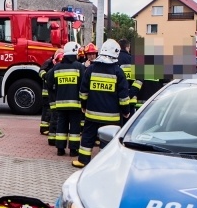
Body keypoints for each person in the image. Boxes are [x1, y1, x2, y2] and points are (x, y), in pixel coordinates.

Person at [74, 39, 130, 168]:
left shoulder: (91, 69)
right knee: (109, 140)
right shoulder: (118, 72)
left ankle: (83, 160)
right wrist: (126, 111)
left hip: (92, 114)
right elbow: (123, 96)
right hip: (112, 117)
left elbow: (83, 92)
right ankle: (105, 164)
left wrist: (84, 106)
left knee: (87, 137)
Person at [52, 42, 85, 157]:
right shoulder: (79, 67)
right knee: (75, 127)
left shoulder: (57, 67)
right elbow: (83, 85)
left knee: (61, 125)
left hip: (60, 104)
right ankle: (73, 150)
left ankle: (60, 149)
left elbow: (49, 80)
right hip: (75, 104)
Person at [117, 38, 143, 124]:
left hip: (115, 100)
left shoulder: (114, 59)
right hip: (131, 101)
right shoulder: (134, 61)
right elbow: (139, 80)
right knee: (128, 127)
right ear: (128, 47)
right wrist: (131, 94)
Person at [46, 48, 64, 146]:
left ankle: (54, 138)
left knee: (56, 118)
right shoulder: (52, 71)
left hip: (57, 99)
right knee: (54, 118)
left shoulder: (55, 71)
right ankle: (52, 138)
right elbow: (50, 86)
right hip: (54, 99)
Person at [38, 55, 55, 135]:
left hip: (51, 92)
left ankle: (48, 127)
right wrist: (46, 76)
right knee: (47, 110)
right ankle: (44, 128)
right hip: (46, 92)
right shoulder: (48, 62)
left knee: (50, 111)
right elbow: (41, 71)